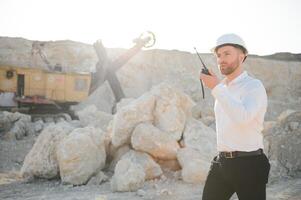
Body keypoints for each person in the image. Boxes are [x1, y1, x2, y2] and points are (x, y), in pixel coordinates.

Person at [200, 33, 270, 200]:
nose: (221, 59)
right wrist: (218, 87)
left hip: (249, 164)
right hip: (222, 163)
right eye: (218, 55)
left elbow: (243, 118)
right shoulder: (222, 87)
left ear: (242, 56)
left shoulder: (253, 86)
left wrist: (216, 88)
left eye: (227, 53)